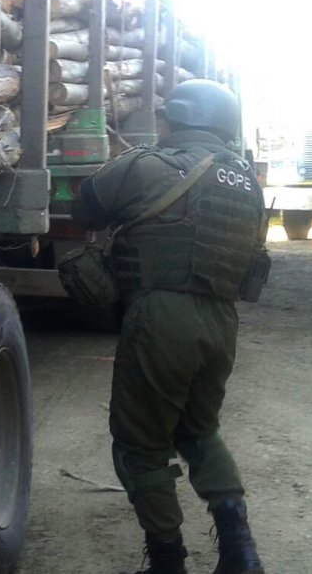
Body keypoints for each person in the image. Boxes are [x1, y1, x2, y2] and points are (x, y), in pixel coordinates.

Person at [70, 80, 267, 574]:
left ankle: (167, 561)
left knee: (140, 444)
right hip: (221, 323)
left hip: (161, 318)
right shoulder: (247, 183)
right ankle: (240, 552)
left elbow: (85, 206)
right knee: (200, 431)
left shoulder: (145, 165)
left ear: (175, 119)